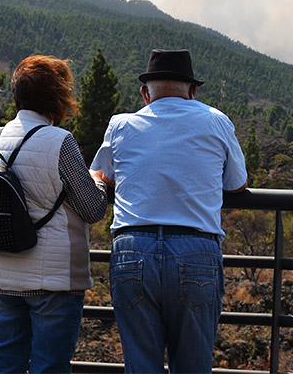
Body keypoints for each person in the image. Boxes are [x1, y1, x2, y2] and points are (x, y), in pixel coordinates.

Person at [91, 49, 248, 374]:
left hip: (132, 249)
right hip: (196, 251)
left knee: (141, 366)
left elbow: (101, 175)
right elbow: (236, 185)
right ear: (192, 90)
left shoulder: (120, 125)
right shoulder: (216, 121)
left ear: (145, 93)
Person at [0, 55, 108, 374]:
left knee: (5, 361)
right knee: (50, 366)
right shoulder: (60, 141)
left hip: (3, 272)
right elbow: (92, 209)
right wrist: (98, 183)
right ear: (56, 96)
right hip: (54, 279)